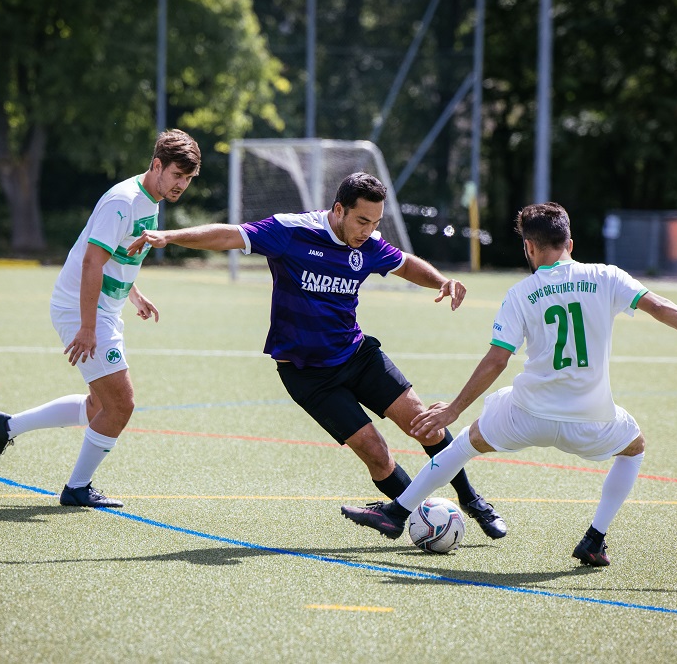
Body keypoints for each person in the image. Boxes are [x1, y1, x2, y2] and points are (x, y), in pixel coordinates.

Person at [340, 201, 677, 565]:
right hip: (592, 420)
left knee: (464, 443)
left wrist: (452, 409)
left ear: (529, 247)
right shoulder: (607, 276)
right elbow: (661, 306)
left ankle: (397, 512)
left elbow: (497, 359)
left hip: (527, 414)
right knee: (634, 448)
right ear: (570, 244)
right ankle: (594, 539)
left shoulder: (521, 293)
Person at [126, 172, 507, 539]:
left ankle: (471, 500)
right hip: (307, 375)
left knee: (425, 424)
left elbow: (405, 263)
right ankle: (416, 518)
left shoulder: (368, 245)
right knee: (375, 452)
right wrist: (170, 236)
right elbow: (229, 234)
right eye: (361, 221)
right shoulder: (290, 231)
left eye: (375, 223)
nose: (368, 231)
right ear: (338, 209)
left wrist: (441, 281)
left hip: (357, 355)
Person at [0, 129, 202, 508]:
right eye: (177, 175)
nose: (181, 185)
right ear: (156, 165)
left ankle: (8, 426)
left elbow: (119, 254)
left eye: (188, 178)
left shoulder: (152, 198)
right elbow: (91, 261)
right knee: (121, 405)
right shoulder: (123, 200)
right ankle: (76, 489)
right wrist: (87, 327)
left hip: (105, 309)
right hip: (84, 309)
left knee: (98, 406)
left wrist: (132, 293)